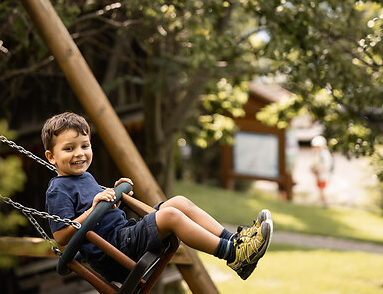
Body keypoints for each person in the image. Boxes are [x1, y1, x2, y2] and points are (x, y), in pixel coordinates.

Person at [43, 112, 273, 283]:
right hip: (115, 254)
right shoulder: (58, 190)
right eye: (69, 149)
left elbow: (101, 216)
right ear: (51, 157)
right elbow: (61, 236)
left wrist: (116, 197)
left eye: (85, 145)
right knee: (171, 215)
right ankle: (233, 255)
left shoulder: (85, 177)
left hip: (124, 237)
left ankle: (235, 242)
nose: (79, 153)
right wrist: (94, 209)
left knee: (179, 202)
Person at [311, 135, 334, 207]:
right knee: (320, 188)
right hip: (319, 174)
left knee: (322, 188)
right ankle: (322, 201)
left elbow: (327, 164)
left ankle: (325, 202)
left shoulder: (324, 153)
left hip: (323, 174)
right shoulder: (318, 153)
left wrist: (320, 170)